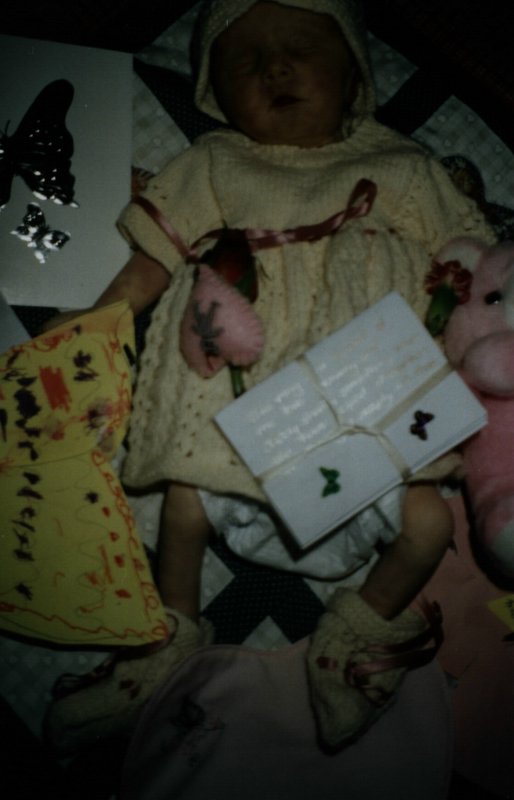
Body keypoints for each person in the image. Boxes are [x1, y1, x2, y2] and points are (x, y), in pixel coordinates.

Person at [44, 0, 494, 754]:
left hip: (369, 408)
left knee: (429, 525)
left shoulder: (406, 169)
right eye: (245, 61)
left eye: (300, 47)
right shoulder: (215, 162)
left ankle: (355, 638)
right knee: (186, 504)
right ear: (216, 93)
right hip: (238, 412)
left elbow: (478, 267)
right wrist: (90, 328)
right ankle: (167, 638)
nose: (275, 67)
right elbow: (153, 261)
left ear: (354, 75)